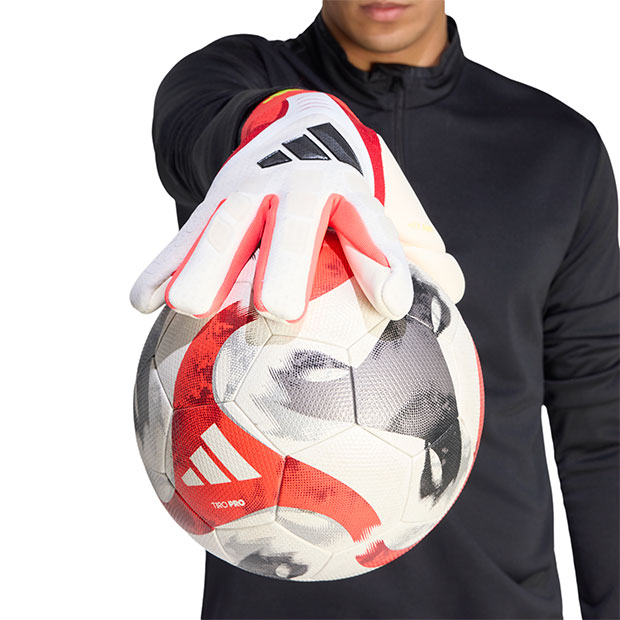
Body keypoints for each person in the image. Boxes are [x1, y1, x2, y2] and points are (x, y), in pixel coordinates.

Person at [130, 1, 620, 618]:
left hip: (495, 600)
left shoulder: (558, 146)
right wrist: (285, 129)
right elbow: (193, 117)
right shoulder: (237, 78)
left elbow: (600, 424)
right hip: (274, 603)